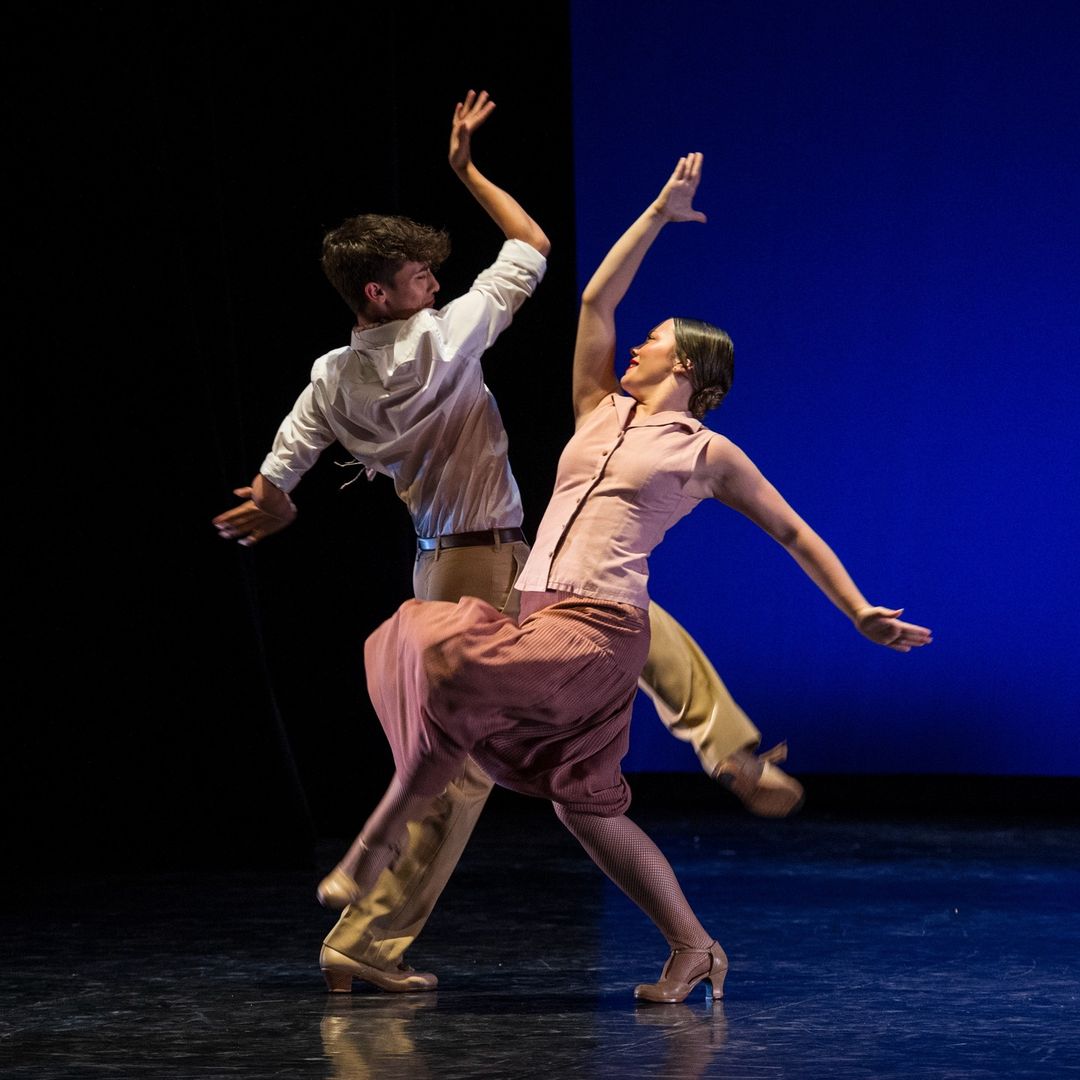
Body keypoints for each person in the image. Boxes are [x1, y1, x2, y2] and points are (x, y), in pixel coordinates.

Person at [212, 94, 800, 997]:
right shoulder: (446, 342)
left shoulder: (332, 376)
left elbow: (286, 457)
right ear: (382, 293)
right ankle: (368, 937)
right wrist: (467, 172)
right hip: (481, 557)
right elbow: (533, 249)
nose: (434, 286)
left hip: (450, 552)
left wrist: (275, 498)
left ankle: (728, 749)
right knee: (466, 768)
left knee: (618, 624)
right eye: (418, 276)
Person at [315, 150, 933, 1003]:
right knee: (585, 809)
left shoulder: (707, 452)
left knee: (436, 654)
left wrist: (859, 608)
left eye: (655, 340)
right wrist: (656, 214)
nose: (635, 341)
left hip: (595, 629)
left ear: (687, 369)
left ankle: (374, 849)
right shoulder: (597, 408)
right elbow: (595, 299)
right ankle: (694, 946)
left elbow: (792, 530)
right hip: (546, 612)